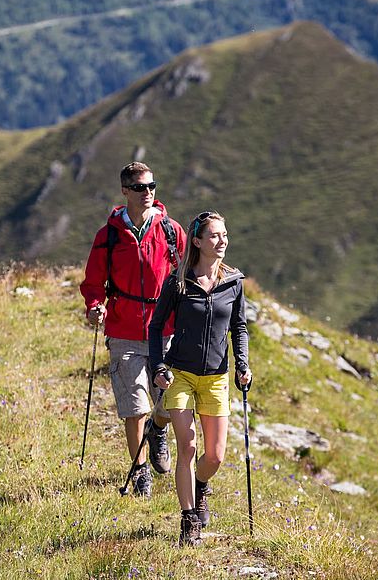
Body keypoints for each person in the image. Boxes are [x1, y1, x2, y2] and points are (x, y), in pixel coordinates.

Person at [80, 161, 186, 498]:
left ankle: (158, 430)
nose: (148, 193)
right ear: (125, 190)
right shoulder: (109, 235)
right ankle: (140, 472)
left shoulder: (171, 230)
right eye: (140, 187)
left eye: (152, 186)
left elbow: (186, 274)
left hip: (165, 329)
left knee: (168, 404)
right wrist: (95, 306)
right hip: (124, 330)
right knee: (134, 405)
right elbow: (93, 281)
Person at [149, 210, 252, 546]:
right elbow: (155, 327)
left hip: (216, 378)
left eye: (224, 235)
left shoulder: (233, 282)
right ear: (197, 241)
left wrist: (242, 364)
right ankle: (188, 520)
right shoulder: (178, 283)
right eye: (214, 236)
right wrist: (158, 367)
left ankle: (201, 486)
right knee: (188, 448)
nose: (221, 241)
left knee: (215, 457)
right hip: (179, 373)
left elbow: (238, 326)